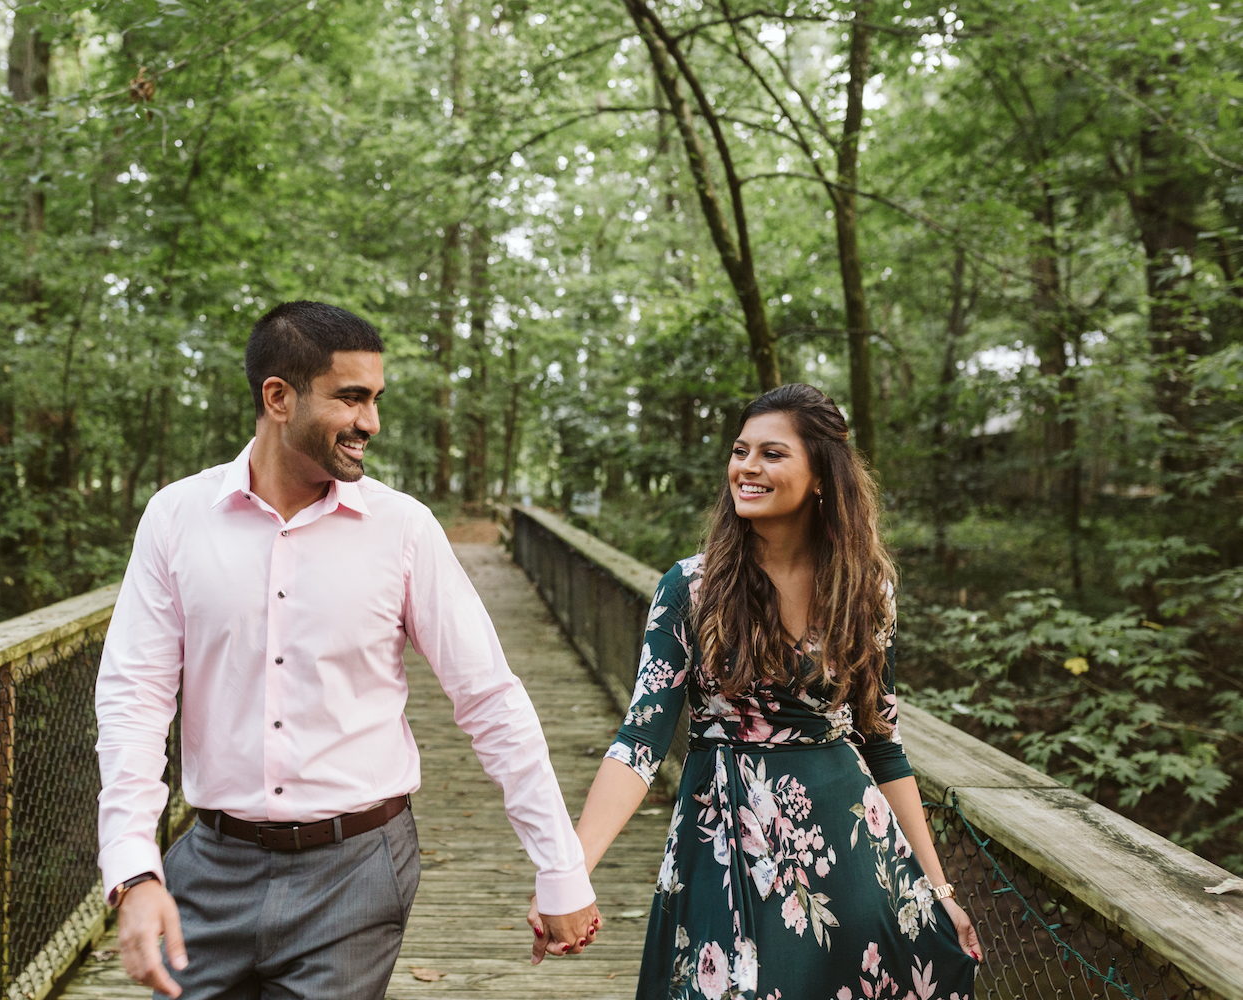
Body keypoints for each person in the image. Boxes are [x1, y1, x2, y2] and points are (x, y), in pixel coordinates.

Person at [95, 300, 601, 1000]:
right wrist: (134, 868)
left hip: (355, 873)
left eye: (376, 399)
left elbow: (490, 699)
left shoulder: (403, 531)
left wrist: (561, 868)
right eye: (352, 398)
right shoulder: (177, 518)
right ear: (279, 397)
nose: (372, 422)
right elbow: (134, 695)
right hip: (206, 868)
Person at [532, 383, 981, 999]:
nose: (746, 467)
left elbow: (883, 741)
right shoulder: (691, 588)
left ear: (821, 474)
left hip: (850, 850)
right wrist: (570, 874)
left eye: (772, 454)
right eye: (741, 450)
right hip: (725, 843)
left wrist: (938, 891)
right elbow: (639, 743)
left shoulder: (865, 591)